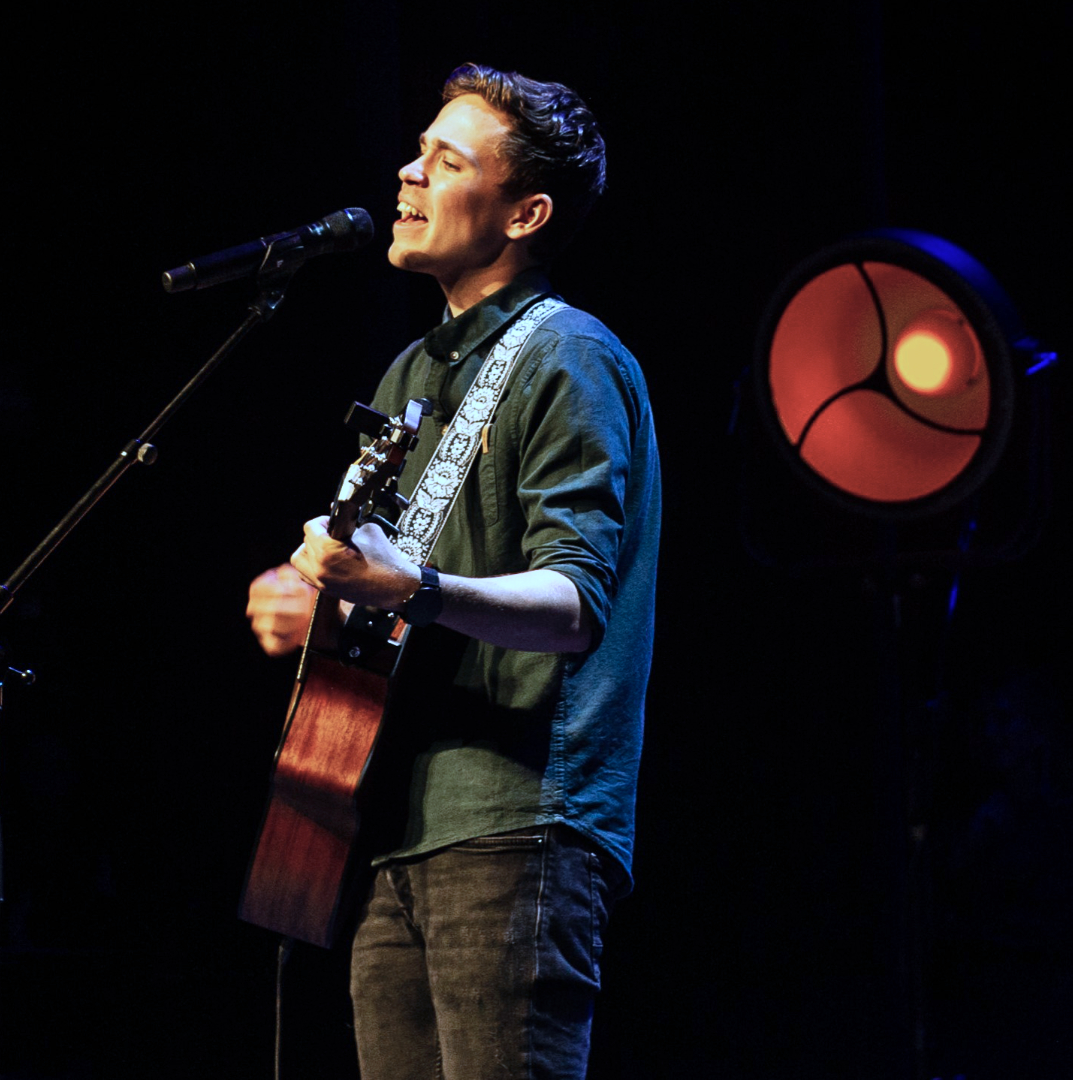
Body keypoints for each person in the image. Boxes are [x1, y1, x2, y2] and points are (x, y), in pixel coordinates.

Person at [245, 63, 660, 1079]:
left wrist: (413, 590)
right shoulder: (411, 373)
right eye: (417, 150)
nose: (408, 173)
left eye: (446, 159)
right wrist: (315, 594)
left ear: (527, 212)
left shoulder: (571, 358)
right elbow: (381, 569)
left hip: (520, 818)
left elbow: (573, 605)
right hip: (387, 817)